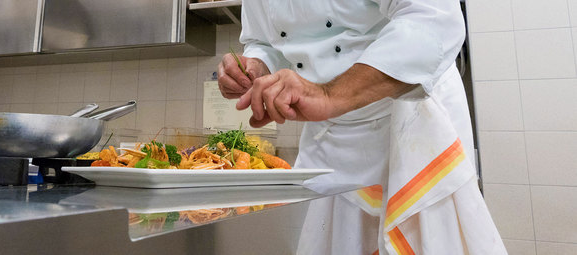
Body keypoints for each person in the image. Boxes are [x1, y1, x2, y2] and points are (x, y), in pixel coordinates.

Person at [217, 0, 506, 254]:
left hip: (409, 119)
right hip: (332, 137)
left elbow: (431, 17)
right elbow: (264, 41)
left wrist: (330, 95)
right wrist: (257, 65)